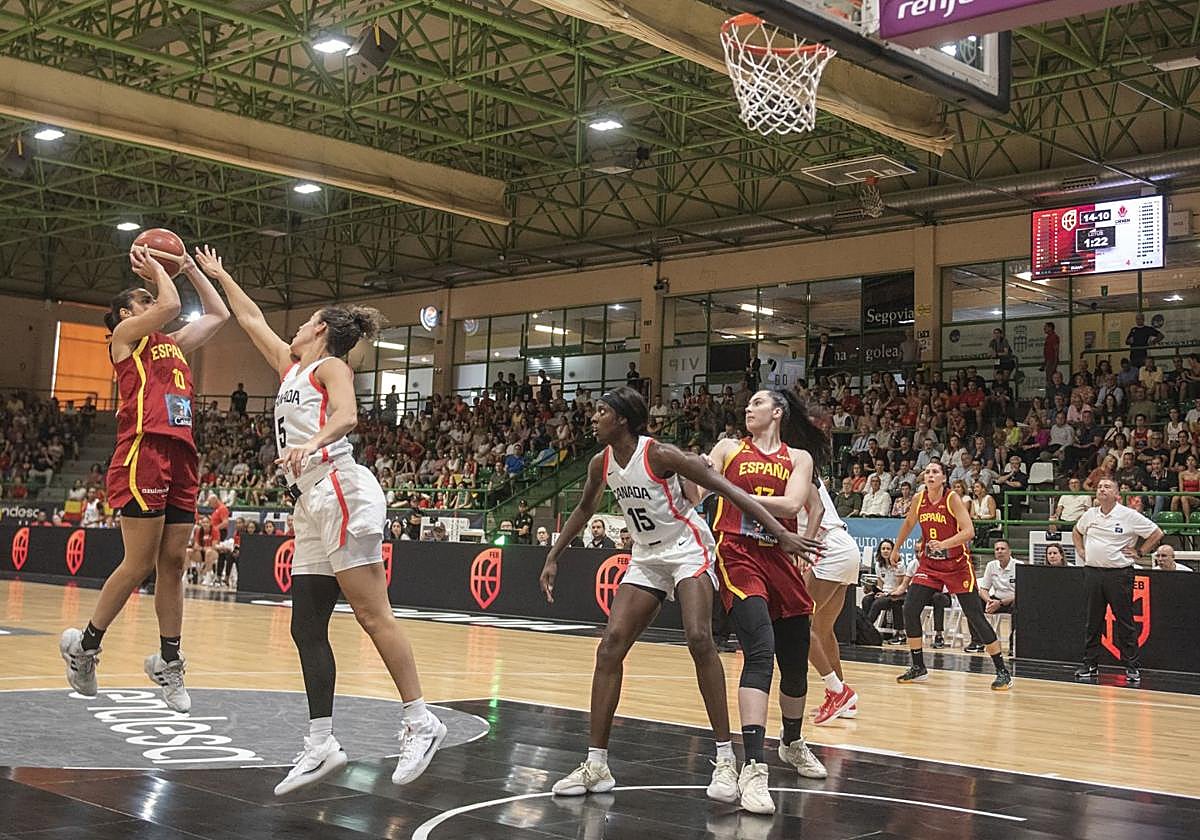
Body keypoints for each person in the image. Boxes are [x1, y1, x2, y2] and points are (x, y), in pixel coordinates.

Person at [193, 245, 444, 795]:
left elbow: (349, 416)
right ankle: (322, 741)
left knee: (373, 615)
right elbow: (251, 318)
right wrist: (214, 273)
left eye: (307, 322)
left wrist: (313, 441)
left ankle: (421, 720)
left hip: (340, 485)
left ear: (323, 331)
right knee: (306, 624)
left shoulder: (330, 365)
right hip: (309, 500)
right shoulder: (292, 368)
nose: (298, 327)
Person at [538, 386, 816, 814]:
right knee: (610, 646)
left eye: (600, 412)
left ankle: (726, 759)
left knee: (699, 638)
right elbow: (582, 510)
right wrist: (554, 555)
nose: (592, 418)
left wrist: (780, 532)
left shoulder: (661, 454)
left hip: (689, 549)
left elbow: (727, 489)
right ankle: (597, 765)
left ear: (624, 420)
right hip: (648, 557)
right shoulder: (601, 462)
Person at [60, 245, 229, 713]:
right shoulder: (124, 337)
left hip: (180, 452)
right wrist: (159, 265)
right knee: (139, 563)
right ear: (124, 313)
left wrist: (192, 268)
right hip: (142, 450)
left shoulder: (170, 344)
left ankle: (168, 662)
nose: (151, 303)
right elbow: (170, 306)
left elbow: (217, 314)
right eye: (142, 299)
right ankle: (85, 647)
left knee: (173, 562)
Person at [700, 388, 831, 814]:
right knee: (760, 650)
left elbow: (795, 503)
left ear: (777, 412)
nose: (748, 408)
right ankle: (754, 766)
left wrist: (731, 493)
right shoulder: (726, 448)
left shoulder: (799, 459)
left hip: (781, 553)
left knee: (795, 665)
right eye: (748, 404)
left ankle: (791, 742)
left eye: (757, 402)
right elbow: (700, 487)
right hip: (737, 552)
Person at [890, 461, 1013, 689]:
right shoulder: (919, 499)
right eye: (927, 471)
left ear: (944, 478)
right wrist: (897, 547)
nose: (930, 474)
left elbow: (969, 531)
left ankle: (1002, 670)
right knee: (909, 607)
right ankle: (918, 666)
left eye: (935, 471)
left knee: (975, 615)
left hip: (957, 564)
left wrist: (943, 544)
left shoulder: (952, 498)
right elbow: (908, 523)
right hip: (930, 566)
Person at [1073, 478, 1164, 684]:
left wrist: (1140, 551)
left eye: (1107, 487)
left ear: (1117, 495)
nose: (1102, 489)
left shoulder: (1129, 515)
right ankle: (1090, 663)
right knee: (1092, 620)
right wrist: (1080, 549)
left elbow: (1157, 533)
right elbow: (1077, 531)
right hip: (1093, 573)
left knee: (1124, 620)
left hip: (1119, 574)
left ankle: (1132, 666)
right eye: (1099, 487)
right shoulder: (1090, 514)